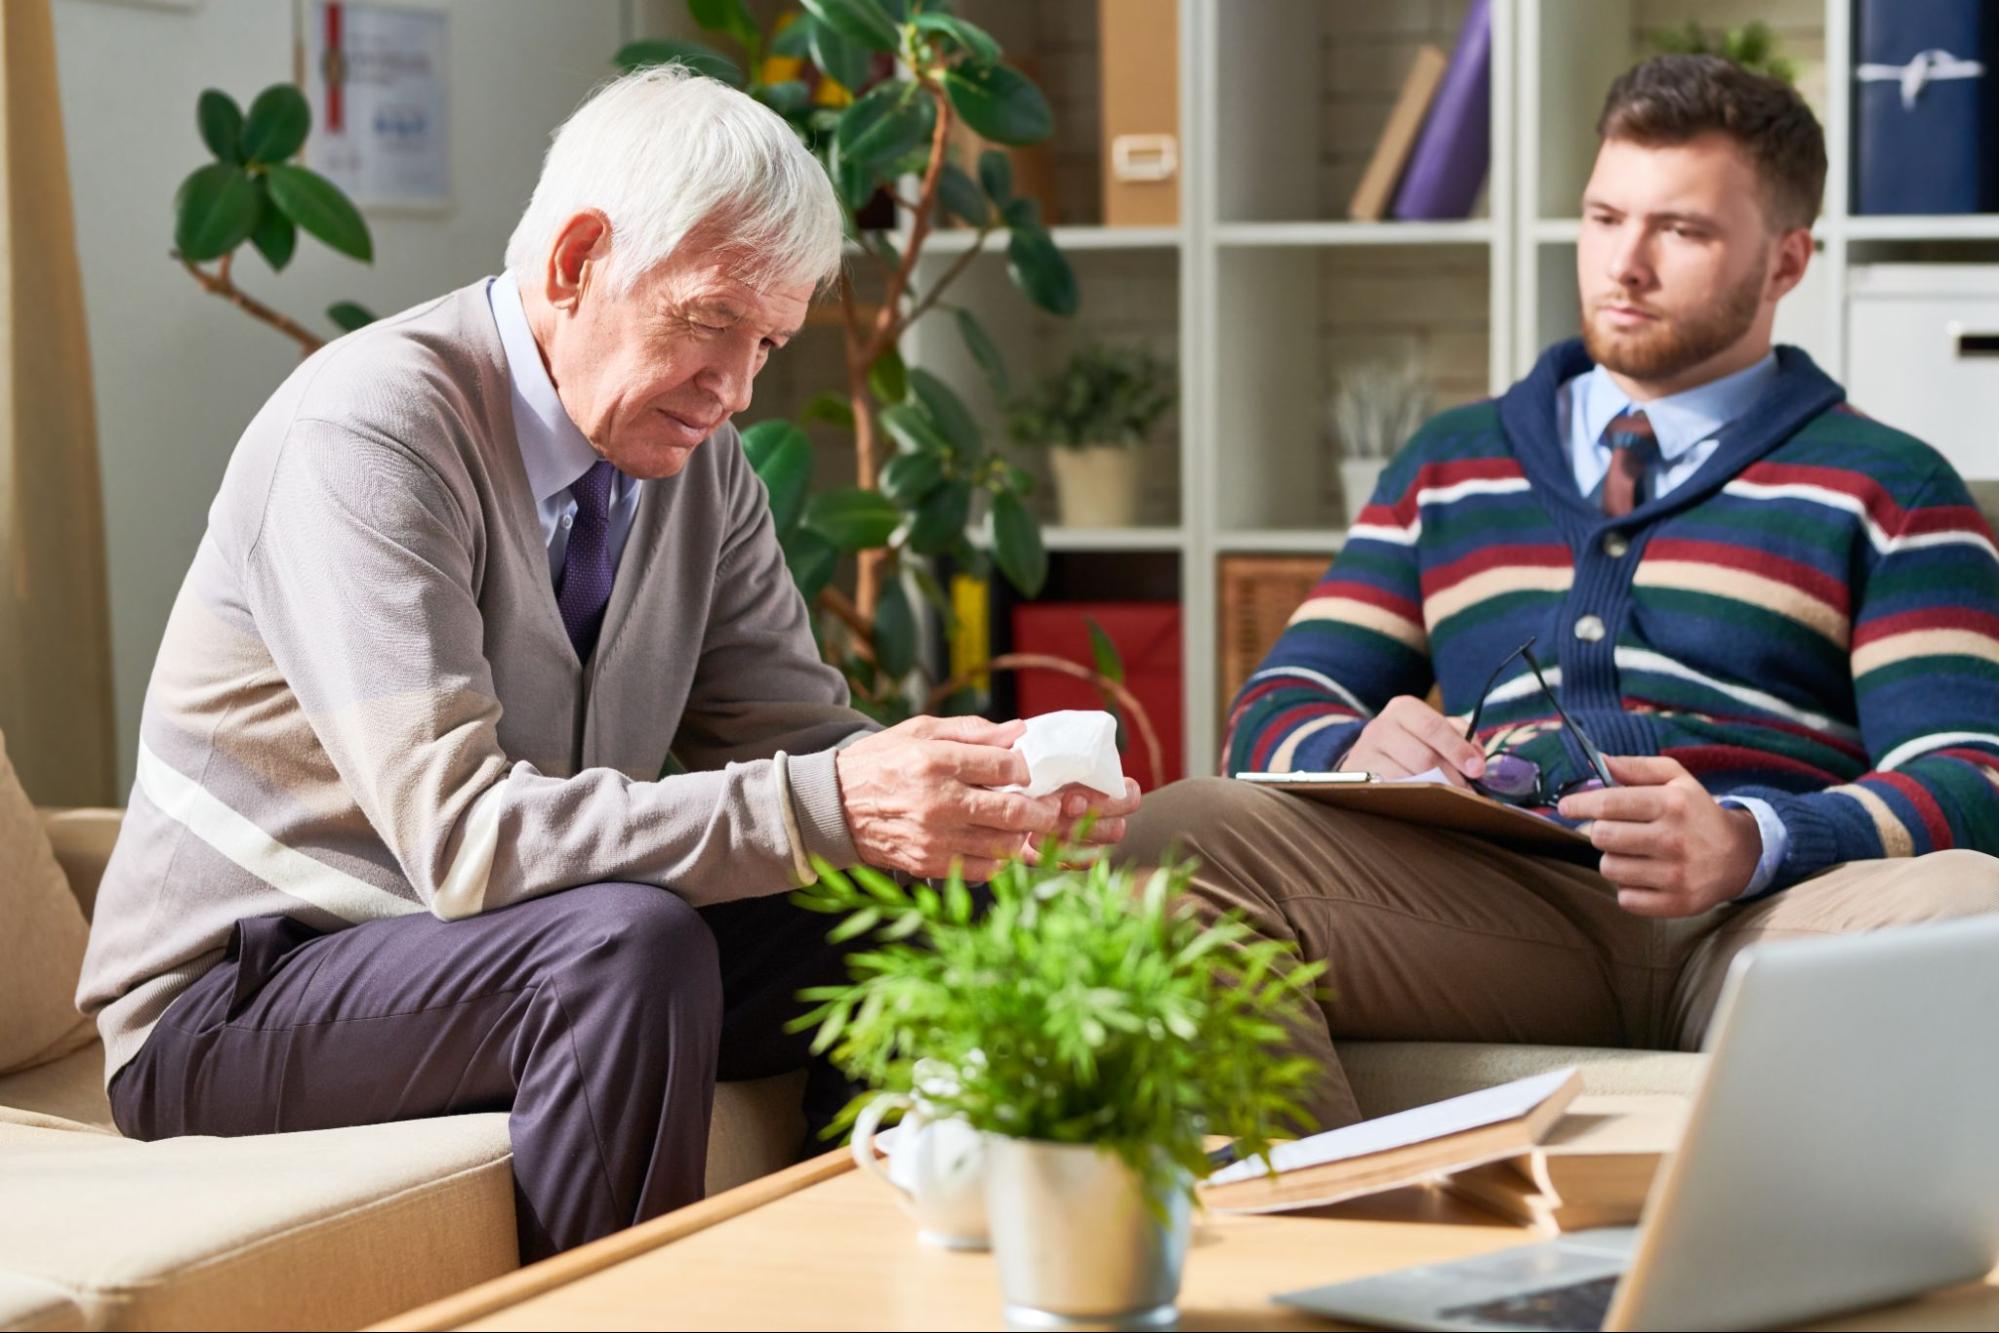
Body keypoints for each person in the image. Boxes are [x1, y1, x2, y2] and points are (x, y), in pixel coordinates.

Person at [78, 65, 1139, 1262]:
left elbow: (792, 738)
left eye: (769, 343)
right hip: (245, 995)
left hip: (496, 947)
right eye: (710, 324)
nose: (736, 391)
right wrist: (836, 802)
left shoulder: (696, 461)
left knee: (932, 895)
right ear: (578, 260)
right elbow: (466, 841)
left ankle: (873, 1278)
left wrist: (975, 796)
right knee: (626, 947)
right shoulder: (369, 433)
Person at [1120, 54, 1999, 1132]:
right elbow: (1279, 697)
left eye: (1680, 230)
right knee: (1176, 833)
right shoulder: (1451, 462)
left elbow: (1971, 774)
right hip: (1496, 906)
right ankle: (1319, 1253)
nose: (1623, 263)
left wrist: (1748, 840)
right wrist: (1350, 748)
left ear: (1785, 261)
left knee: (1976, 908)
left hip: (1768, 919)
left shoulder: (1892, 484)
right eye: (1602, 216)